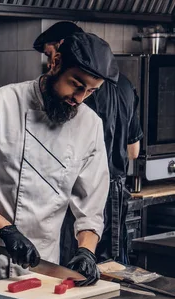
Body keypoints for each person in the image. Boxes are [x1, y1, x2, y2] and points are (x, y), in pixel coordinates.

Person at [0, 33, 117, 286]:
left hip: (43, 270)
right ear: (55, 62)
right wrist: (7, 230)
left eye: (90, 91)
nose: (79, 98)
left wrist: (86, 251)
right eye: (76, 85)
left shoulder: (90, 124)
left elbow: (90, 205)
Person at [33, 22, 143, 265]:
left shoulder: (71, 94)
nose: (51, 64)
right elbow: (133, 151)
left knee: (73, 268)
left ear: (64, 50)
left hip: (77, 194)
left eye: (51, 54)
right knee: (109, 269)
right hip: (115, 191)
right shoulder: (124, 84)